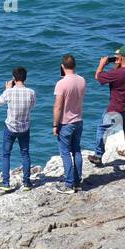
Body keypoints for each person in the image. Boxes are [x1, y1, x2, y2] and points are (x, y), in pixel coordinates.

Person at [93, 47, 125, 173]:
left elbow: (98, 77)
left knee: (102, 129)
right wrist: (118, 65)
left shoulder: (115, 73)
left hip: (116, 108)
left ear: (120, 58)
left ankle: (98, 156)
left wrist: (101, 64)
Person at [0, 67, 36, 189]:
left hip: (10, 128)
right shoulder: (31, 92)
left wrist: (7, 89)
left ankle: (6, 183)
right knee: (25, 154)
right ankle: (27, 182)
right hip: (24, 128)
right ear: (25, 78)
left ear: (14, 78)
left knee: (6, 154)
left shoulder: (9, 92)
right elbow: (32, 105)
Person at [51, 54, 86, 193]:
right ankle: (77, 182)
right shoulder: (82, 80)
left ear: (62, 67)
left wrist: (55, 124)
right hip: (79, 120)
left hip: (66, 123)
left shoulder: (61, 83)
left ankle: (69, 184)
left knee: (65, 152)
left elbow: (58, 106)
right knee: (76, 150)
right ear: (75, 65)